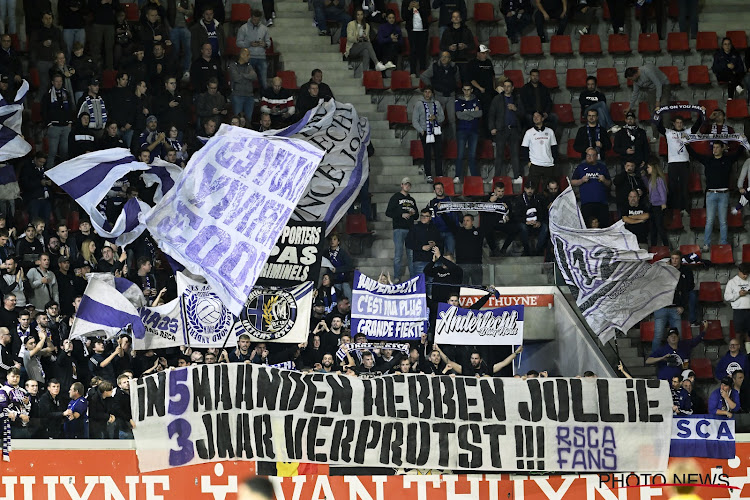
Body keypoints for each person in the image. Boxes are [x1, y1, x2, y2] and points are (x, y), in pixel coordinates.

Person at [687, 140, 744, 251]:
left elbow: (738, 154)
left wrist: (742, 143)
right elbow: (695, 155)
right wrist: (687, 145)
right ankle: (706, 244)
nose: (715, 150)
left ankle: (723, 243)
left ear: (722, 148)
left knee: (723, 221)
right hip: (711, 194)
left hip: (724, 194)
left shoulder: (727, 160)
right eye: (714, 147)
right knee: (709, 221)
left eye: (717, 147)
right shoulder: (708, 160)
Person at [655, 107, 704, 212]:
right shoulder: (669, 132)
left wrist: (701, 112)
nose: (679, 124)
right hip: (672, 163)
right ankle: (673, 209)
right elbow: (658, 125)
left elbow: (697, 125)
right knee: (672, 186)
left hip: (684, 162)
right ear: (674, 123)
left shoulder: (687, 132)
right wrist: (657, 113)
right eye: (677, 122)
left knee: (684, 186)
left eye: (681, 122)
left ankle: (686, 209)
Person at [651, 250, 694, 347]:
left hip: (675, 308)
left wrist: (682, 306)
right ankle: (654, 360)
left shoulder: (682, 273)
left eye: (676, 259)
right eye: (673, 258)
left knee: (678, 337)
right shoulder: (663, 271)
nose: (674, 261)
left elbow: (685, 290)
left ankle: (678, 358)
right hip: (661, 308)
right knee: (658, 336)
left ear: (680, 260)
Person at [489, 78, 524, 180]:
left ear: (512, 88)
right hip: (501, 130)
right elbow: (491, 114)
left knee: (515, 155)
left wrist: (515, 109)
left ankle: (517, 176)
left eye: (509, 86)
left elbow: (523, 114)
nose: (506, 88)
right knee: (499, 155)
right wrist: (492, 127)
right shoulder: (497, 99)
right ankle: (496, 177)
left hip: (514, 130)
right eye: (505, 86)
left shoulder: (517, 99)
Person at [419, 51, 459, 140]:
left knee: (452, 119)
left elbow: (457, 79)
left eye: (446, 57)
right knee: (439, 118)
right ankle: (438, 139)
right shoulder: (434, 66)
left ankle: (454, 140)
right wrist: (431, 86)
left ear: (450, 59)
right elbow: (423, 76)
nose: (443, 58)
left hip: (451, 96)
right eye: (442, 56)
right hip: (439, 95)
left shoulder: (454, 67)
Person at [571, 147, 611, 228]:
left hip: (601, 202)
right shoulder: (581, 167)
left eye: (592, 155)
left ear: (596, 156)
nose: (589, 157)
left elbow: (609, 183)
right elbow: (572, 182)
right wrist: (581, 180)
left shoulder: (602, 167)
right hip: (587, 202)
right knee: (587, 227)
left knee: (603, 226)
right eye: (588, 155)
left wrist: (604, 180)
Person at [385, 177, 417, 281]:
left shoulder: (412, 200)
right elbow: (388, 212)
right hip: (399, 228)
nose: (407, 186)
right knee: (398, 254)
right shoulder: (395, 197)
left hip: (410, 229)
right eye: (405, 184)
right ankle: (397, 277)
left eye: (409, 185)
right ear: (401, 185)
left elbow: (416, 216)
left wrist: (413, 213)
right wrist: (401, 214)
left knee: (411, 255)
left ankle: (412, 278)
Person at [412, 86, 444, 183]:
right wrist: (421, 130)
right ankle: (428, 174)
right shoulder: (419, 104)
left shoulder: (437, 103)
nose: (427, 94)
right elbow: (414, 120)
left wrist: (436, 118)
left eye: (429, 92)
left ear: (432, 93)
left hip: (436, 131)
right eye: (425, 92)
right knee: (427, 154)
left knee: (438, 153)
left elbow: (442, 117)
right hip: (425, 132)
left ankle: (439, 174)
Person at [31, 11, 66, 99]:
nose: (48, 20)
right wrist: (42, 44)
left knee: (59, 85)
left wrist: (61, 59)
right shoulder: (37, 31)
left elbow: (63, 45)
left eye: (50, 18)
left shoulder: (57, 31)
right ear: (42, 20)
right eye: (46, 18)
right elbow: (32, 46)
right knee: (44, 85)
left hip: (55, 62)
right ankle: (38, 104)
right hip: (42, 61)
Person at [482, 181, 518, 256]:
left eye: (502, 191)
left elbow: (511, 213)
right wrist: (490, 202)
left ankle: (504, 249)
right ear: (494, 190)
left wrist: (508, 215)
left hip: (502, 222)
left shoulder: (506, 200)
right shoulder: (487, 198)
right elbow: (481, 210)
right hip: (491, 222)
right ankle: (494, 250)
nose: (500, 193)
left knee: (515, 228)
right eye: (498, 191)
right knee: (487, 228)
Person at [236, 10, 270, 90]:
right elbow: (238, 43)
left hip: (261, 57)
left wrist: (265, 44)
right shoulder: (243, 28)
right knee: (247, 80)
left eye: (258, 20)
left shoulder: (264, 29)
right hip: (248, 57)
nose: (256, 21)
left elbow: (268, 42)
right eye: (254, 19)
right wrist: (249, 44)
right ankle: (248, 96)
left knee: (263, 80)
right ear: (251, 17)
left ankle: (264, 98)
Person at [513, 179, 548, 256]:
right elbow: (516, 216)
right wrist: (526, 221)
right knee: (523, 227)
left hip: (535, 223)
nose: (530, 190)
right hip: (524, 223)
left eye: (532, 189)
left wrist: (539, 221)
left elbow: (541, 213)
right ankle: (527, 250)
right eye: (528, 188)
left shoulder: (538, 199)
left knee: (545, 227)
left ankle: (538, 250)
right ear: (525, 189)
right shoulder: (519, 200)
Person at [454, 84, 482, 180]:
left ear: (472, 90)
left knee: (472, 155)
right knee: (460, 155)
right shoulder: (458, 101)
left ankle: (474, 178)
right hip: (462, 130)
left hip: (474, 131)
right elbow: (459, 115)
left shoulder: (476, 100)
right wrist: (472, 114)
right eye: (465, 90)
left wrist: (466, 113)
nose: (466, 92)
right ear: (462, 90)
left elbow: (479, 114)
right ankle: (457, 176)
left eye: (468, 90)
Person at [439, 10, 474, 83]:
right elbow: (441, 46)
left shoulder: (467, 31)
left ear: (461, 19)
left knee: (465, 78)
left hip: (463, 59)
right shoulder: (446, 31)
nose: (456, 18)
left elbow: (473, 45)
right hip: (451, 59)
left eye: (458, 17)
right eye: (454, 17)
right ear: (451, 19)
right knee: (451, 80)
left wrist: (465, 46)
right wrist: (449, 47)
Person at [407, 208, 442, 277]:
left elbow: (441, 243)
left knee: (432, 285)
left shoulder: (435, 228)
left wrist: (434, 244)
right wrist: (421, 247)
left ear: (430, 218)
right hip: (419, 260)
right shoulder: (414, 228)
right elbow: (408, 243)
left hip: (433, 260)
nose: (424, 218)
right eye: (422, 216)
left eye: (426, 216)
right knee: (421, 285)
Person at [427, 181, 459, 255]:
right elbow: (428, 216)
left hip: (450, 232)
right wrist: (436, 208)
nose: (440, 190)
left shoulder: (450, 200)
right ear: (434, 191)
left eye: (441, 188)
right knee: (437, 256)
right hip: (437, 232)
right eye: (437, 188)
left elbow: (456, 216)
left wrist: (456, 229)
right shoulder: (431, 203)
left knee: (450, 255)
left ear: (443, 189)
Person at [643, 159, 669, 247]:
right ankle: (653, 246)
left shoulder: (658, 179)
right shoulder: (651, 180)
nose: (647, 169)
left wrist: (663, 203)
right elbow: (648, 186)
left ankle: (666, 246)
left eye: (648, 167)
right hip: (652, 206)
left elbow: (662, 192)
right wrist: (643, 176)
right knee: (653, 228)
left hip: (658, 206)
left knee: (660, 228)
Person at [401, 0, 430, 77]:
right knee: (413, 50)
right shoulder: (405, 1)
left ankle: (422, 70)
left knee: (422, 51)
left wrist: (419, 8)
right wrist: (409, 8)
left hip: (423, 29)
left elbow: (428, 13)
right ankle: (412, 71)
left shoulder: (425, 1)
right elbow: (404, 17)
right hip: (412, 30)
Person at [725, 263, 750, 348]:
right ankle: (737, 353)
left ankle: (748, 353)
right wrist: (738, 294)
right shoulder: (732, 282)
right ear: (739, 271)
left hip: (749, 310)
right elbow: (727, 297)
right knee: (738, 334)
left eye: (747, 274)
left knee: (748, 334)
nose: (745, 276)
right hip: (738, 311)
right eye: (744, 273)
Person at [228, 48, 257, 120]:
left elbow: (254, 76)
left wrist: (242, 75)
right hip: (238, 96)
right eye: (248, 55)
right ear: (242, 55)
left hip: (249, 96)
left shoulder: (249, 66)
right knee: (237, 119)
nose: (249, 57)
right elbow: (236, 78)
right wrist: (248, 76)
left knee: (248, 119)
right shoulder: (233, 66)